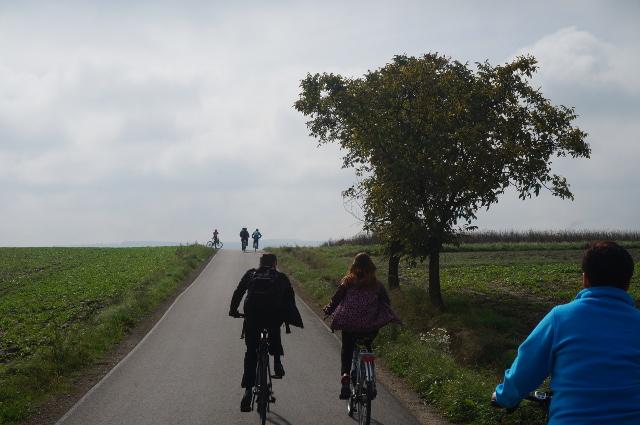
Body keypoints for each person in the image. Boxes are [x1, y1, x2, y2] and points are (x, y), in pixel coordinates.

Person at [492, 241, 639, 424]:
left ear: (585, 278)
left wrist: (504, 397)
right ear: (627, 283)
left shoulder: (560, 318)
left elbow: (524, 371)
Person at [229, 253, 303, 412]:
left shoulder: (251, 274)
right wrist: (288, 317)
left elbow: (239, 291)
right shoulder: (280, 276)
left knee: (251, 351)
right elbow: (289, 298)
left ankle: (248, 391)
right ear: (275, 263)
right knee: (275, 325)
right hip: (272, 317)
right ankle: (277, 362)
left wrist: (233, 310)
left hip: (253, 315)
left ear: (260, 263)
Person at [322, 252, 400, 399]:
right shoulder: (377, 285)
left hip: (349, 325)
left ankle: (345, 377)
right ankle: (370, 381)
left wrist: (328, 309)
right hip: (369, 327)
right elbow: (386, 302)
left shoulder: (347, 282)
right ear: (371, 267)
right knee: (367, 344)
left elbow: (336, 299)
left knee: (347, 349)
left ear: (354, 266)